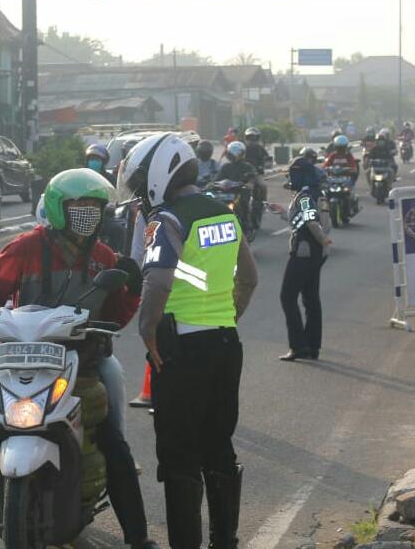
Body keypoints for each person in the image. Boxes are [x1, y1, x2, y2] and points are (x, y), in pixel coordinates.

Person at [0, 170, 157, 549]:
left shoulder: (104, 258)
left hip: (81, 361)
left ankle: (138, 538)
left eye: (94, 207)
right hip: (20, 356)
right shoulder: (25, 247)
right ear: (58, 208)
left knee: (112, 439)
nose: (88, 213)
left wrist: (132, 291)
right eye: (80, 205)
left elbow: (115, 317)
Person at [118, 133, 259, 549]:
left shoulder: (167, 220)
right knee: (219, 447)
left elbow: (158, 280)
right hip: (226, 345)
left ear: (160, 175)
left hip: (181, 351)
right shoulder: (223, 213)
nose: (139, 193)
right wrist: (227, 318)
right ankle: (225, 541)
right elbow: (249, 279)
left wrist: (147, 331)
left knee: (179, 457)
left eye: (140, 182)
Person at [280, 155, 332, 362]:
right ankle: (312, 346)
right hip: (316, 253)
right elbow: (305, 219)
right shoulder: (317, 193)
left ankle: (298, 345)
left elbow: (311, 221)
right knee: (311, 299)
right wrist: (283, 213)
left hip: (304, 252)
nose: (290, 178)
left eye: (292, 174)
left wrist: (323, 239)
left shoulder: (304, 196)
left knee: (287, 297)